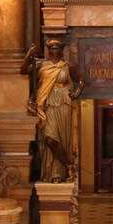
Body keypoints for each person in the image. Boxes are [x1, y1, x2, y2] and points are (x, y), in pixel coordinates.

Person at [22, 39, 83, 182]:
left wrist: (77, 92)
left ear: (61, 50)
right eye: (51, 48)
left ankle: (58, 174)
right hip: (47, 103)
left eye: (57, 48)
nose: (54, 50)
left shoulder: (67, 66)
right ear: (48, 50)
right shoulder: (41, 64)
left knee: (62, 138)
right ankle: (69, 165)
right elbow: (23, 70)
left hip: (64, 104)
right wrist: (28, 55)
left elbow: (80, 80)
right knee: (50, 139)